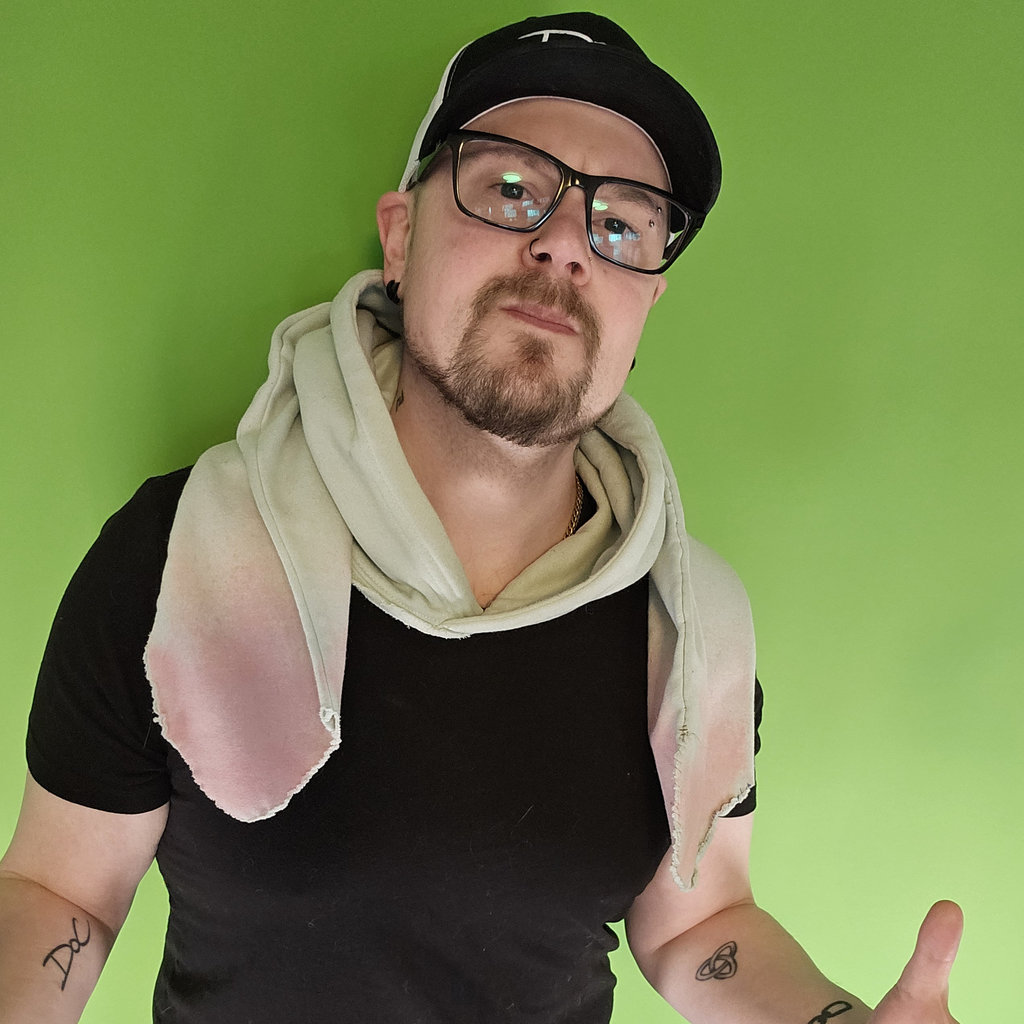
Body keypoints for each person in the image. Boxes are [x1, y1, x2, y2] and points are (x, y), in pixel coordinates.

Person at [0, 12, 962, 1024]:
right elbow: (64, 893)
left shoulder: (690, 624)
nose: (563, 244)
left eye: (621, 224)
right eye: (511, 188)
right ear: (400, 239)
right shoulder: (180, 554)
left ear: (644, 305)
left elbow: (698, 924)